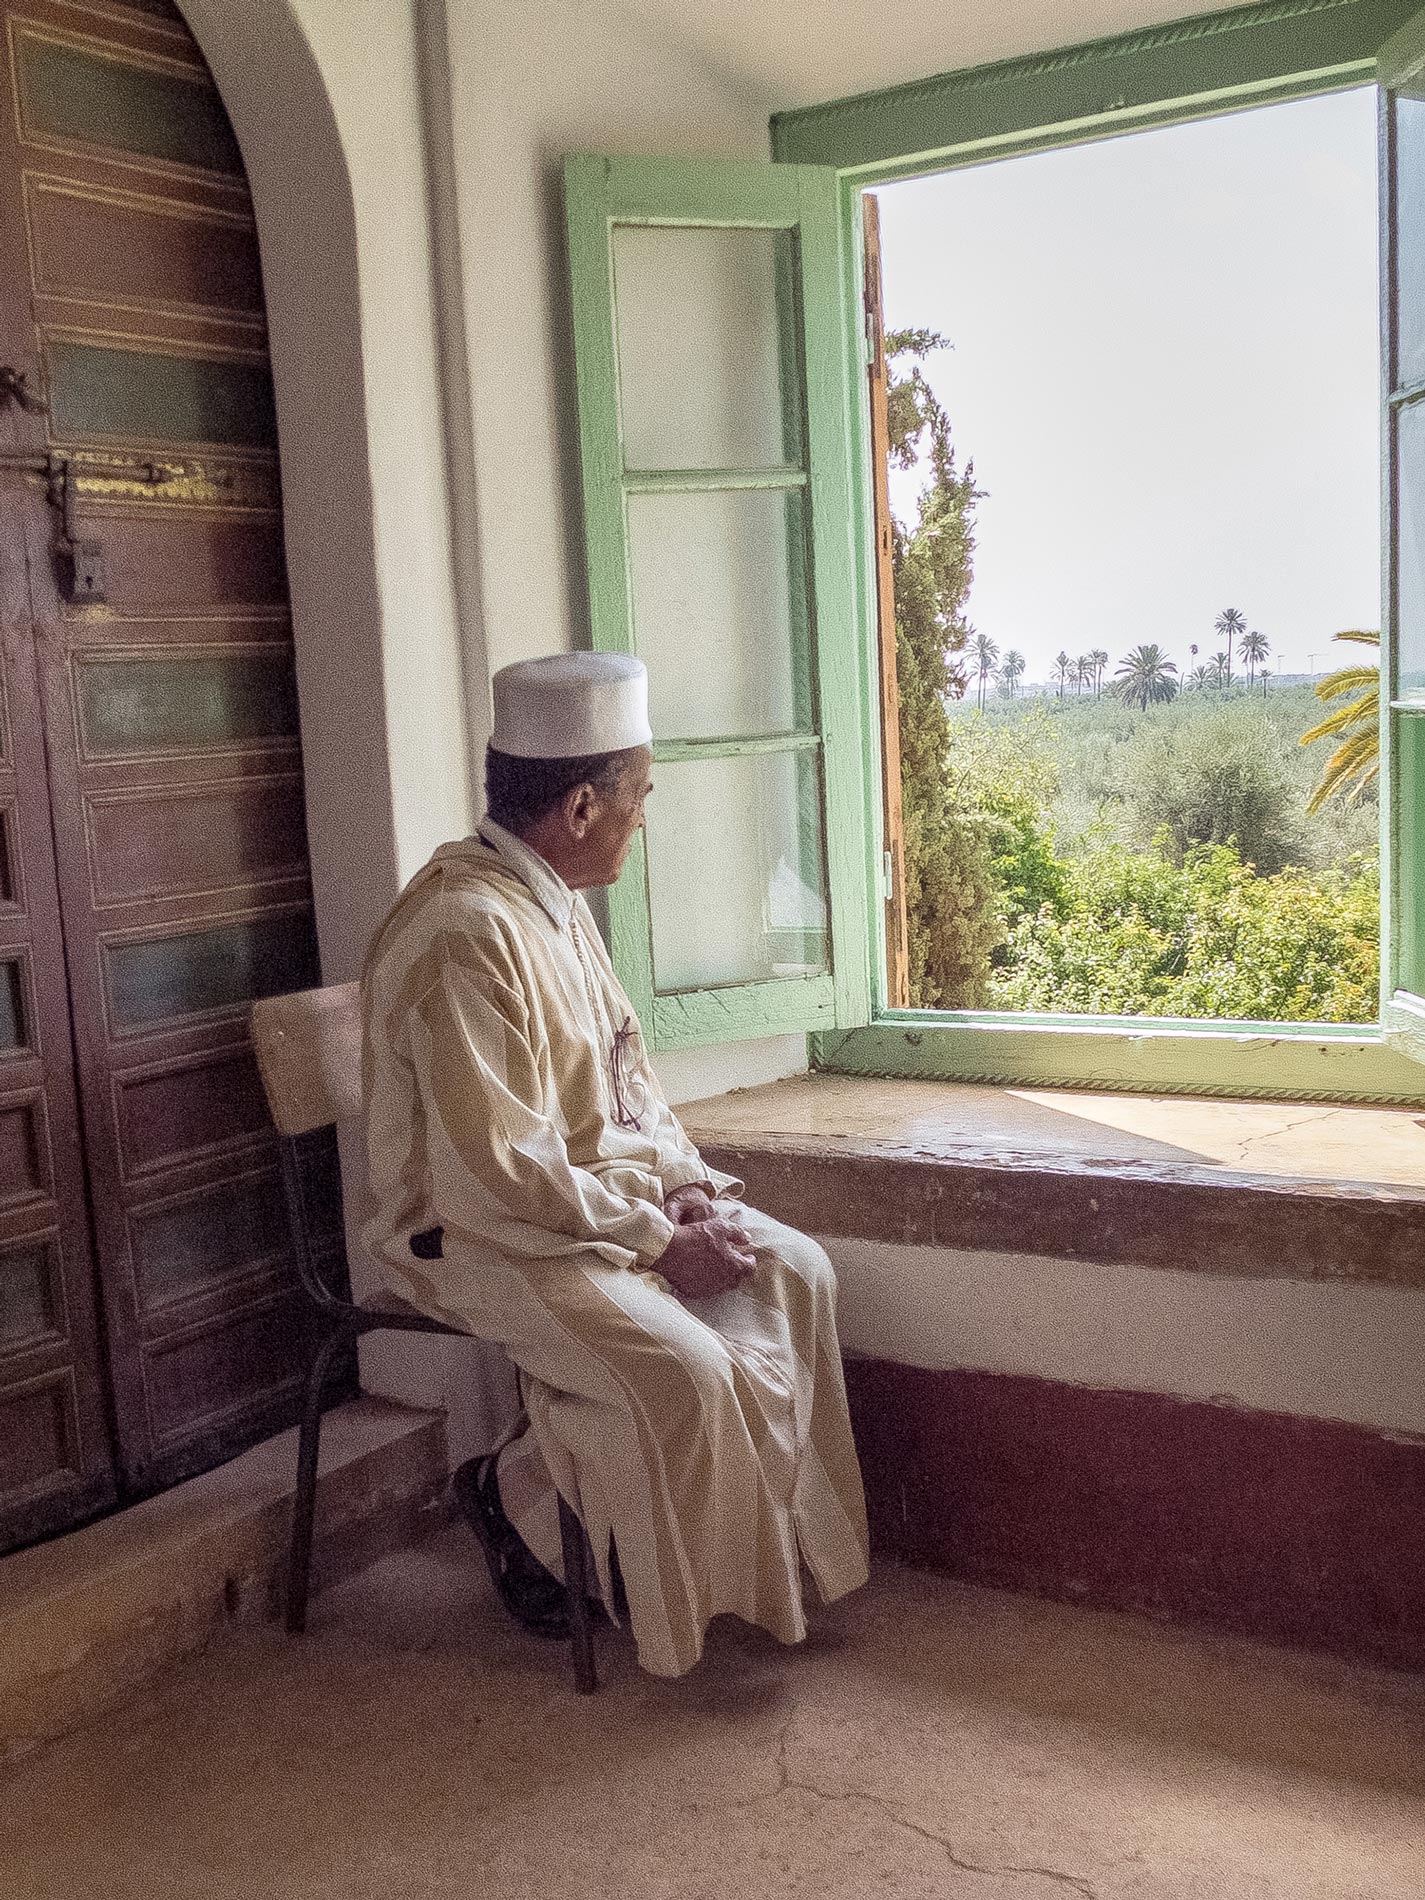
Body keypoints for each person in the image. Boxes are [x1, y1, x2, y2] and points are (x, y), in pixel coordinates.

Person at [360, 651, 868, 1678]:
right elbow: (495, 1175)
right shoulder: (467, 933)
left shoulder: (548, 900)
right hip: (470, 1234)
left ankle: (773, 1567)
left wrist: (686, 1193)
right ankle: (522, 1506)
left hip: (584, 1202)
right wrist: (654, 1241)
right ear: (583, 805)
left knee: (795, 1270)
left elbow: (628, 1088)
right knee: (684, 1370)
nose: (647, 817)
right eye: (641, 795)